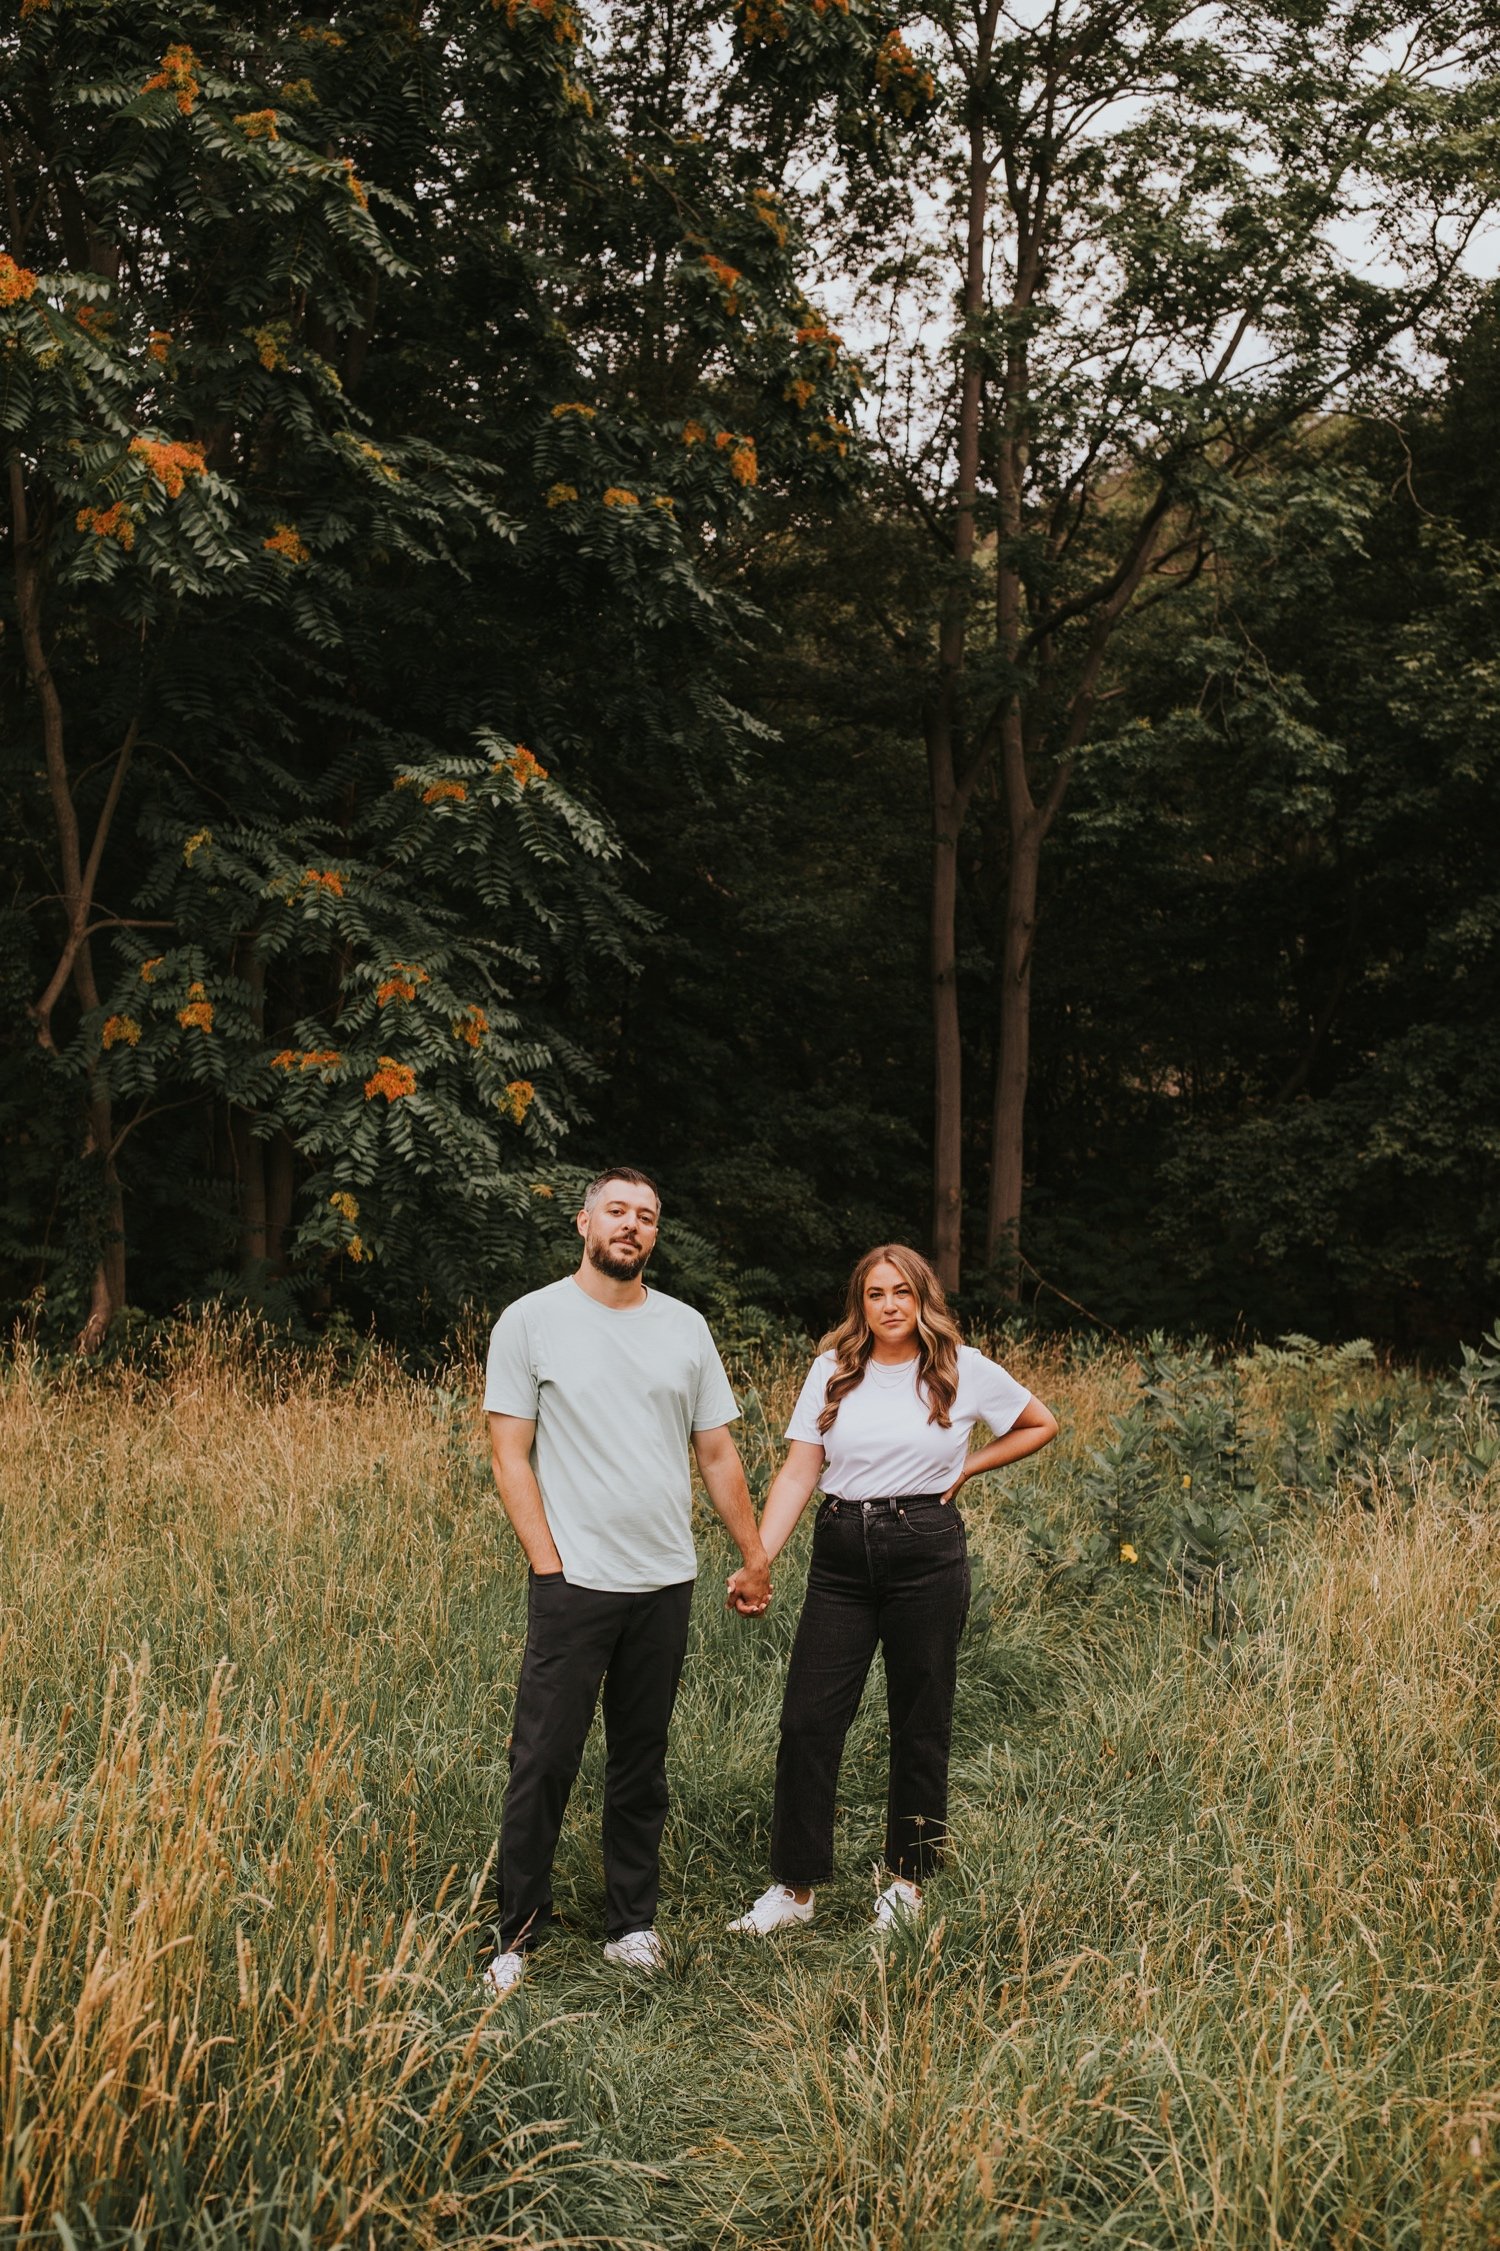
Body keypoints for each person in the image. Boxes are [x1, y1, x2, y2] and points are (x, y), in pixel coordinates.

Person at [483, 1166, 770, 1996]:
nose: (632, 1224)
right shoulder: (531, 1321)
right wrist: (548, 1563)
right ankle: (514, 1935)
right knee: (544, 1758)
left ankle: (630, 1924)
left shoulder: (685, 1327)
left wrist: (753, 1554)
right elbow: (510, 1452)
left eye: (647, 1214)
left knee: (641, 1763)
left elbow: (716, 1453)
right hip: (574, 1580)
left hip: (664, 1580)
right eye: (617, 1210)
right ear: (583, 1222)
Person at [726, 1243, 1057, 1936]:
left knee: (920, 1716)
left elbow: (1039, 1423)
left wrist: (970, 1465)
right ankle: (795, 1887)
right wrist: (760, 1556)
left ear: (923, 1297)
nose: (890, 1305)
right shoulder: (833, 1370)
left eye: (902, 1291)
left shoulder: (962, 1370)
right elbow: (797, 1472)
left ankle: (907, 1881)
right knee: (807, 1719)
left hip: (926, 1549)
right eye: (876, 1293)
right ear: (861, 1302)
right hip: (842, 1550)